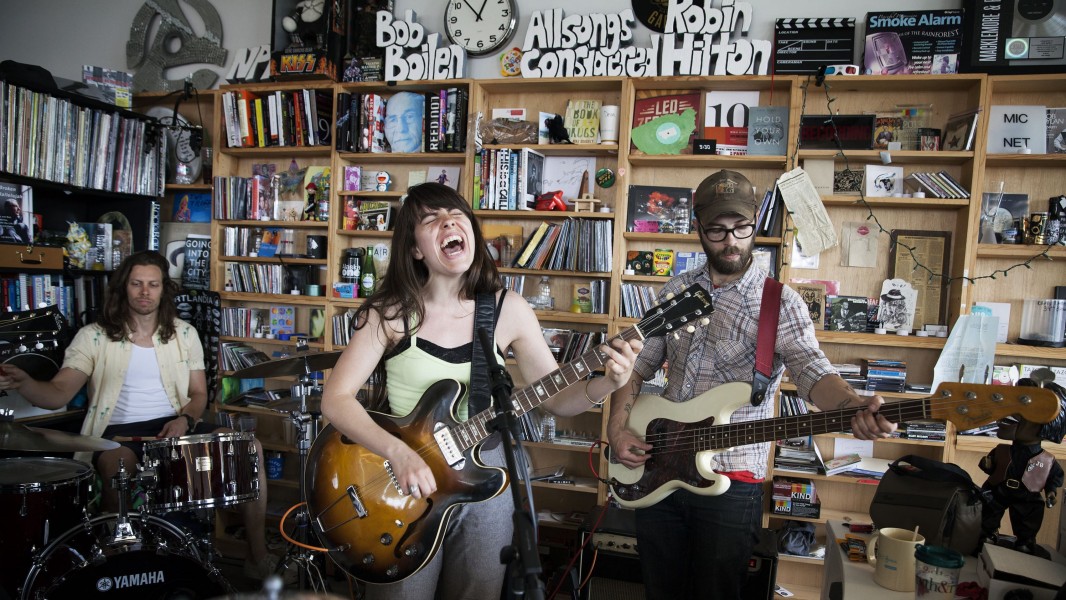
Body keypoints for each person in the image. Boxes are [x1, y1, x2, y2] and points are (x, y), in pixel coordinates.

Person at [320, 182, 641, 600]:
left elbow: (558, 398)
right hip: (402, 475)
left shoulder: (509, 309)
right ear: (415, 249)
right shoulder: (390, 312)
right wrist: (398, 453)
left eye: (455, 214)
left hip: (488, 471)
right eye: (431, 219)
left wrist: (607, 383)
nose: (449, 221)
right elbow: (336, 399)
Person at [607, 170, 898, 600]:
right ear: (698, 230)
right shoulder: (675, 290)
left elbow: (813, 373)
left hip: (732, 477)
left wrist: (853, 404)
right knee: (659, 589)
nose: (731, 241)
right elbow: (633, 367)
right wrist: (616, 427)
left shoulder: (780, 302)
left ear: (754, 226)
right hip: (659, 467)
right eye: (718, 230)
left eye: (741, 228)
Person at [0, 251, 282, 582]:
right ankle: (117, 566)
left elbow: (199, 395)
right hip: (116, 432)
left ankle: (256, 556)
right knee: (118, 467)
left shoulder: (184, 333)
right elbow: (58, 393)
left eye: (152, 284)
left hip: (174, 425)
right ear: (124, 287)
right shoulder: (93, 336)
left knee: (248, 448)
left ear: (164, 289)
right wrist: (26, 383)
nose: (144, 292)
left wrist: (185, 421)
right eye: (136, 284)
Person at [979, 379, 1066, 558]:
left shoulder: (1047, 459)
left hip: (1027, 494)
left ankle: (1025, 541)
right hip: (1000, 489)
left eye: (1025, 422)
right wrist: (987, 464)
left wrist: (1051, 492)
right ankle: (988, 533)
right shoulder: (1003, 450)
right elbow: (992, 465)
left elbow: (1054, 477)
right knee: (990, 508)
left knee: (1029, 516)